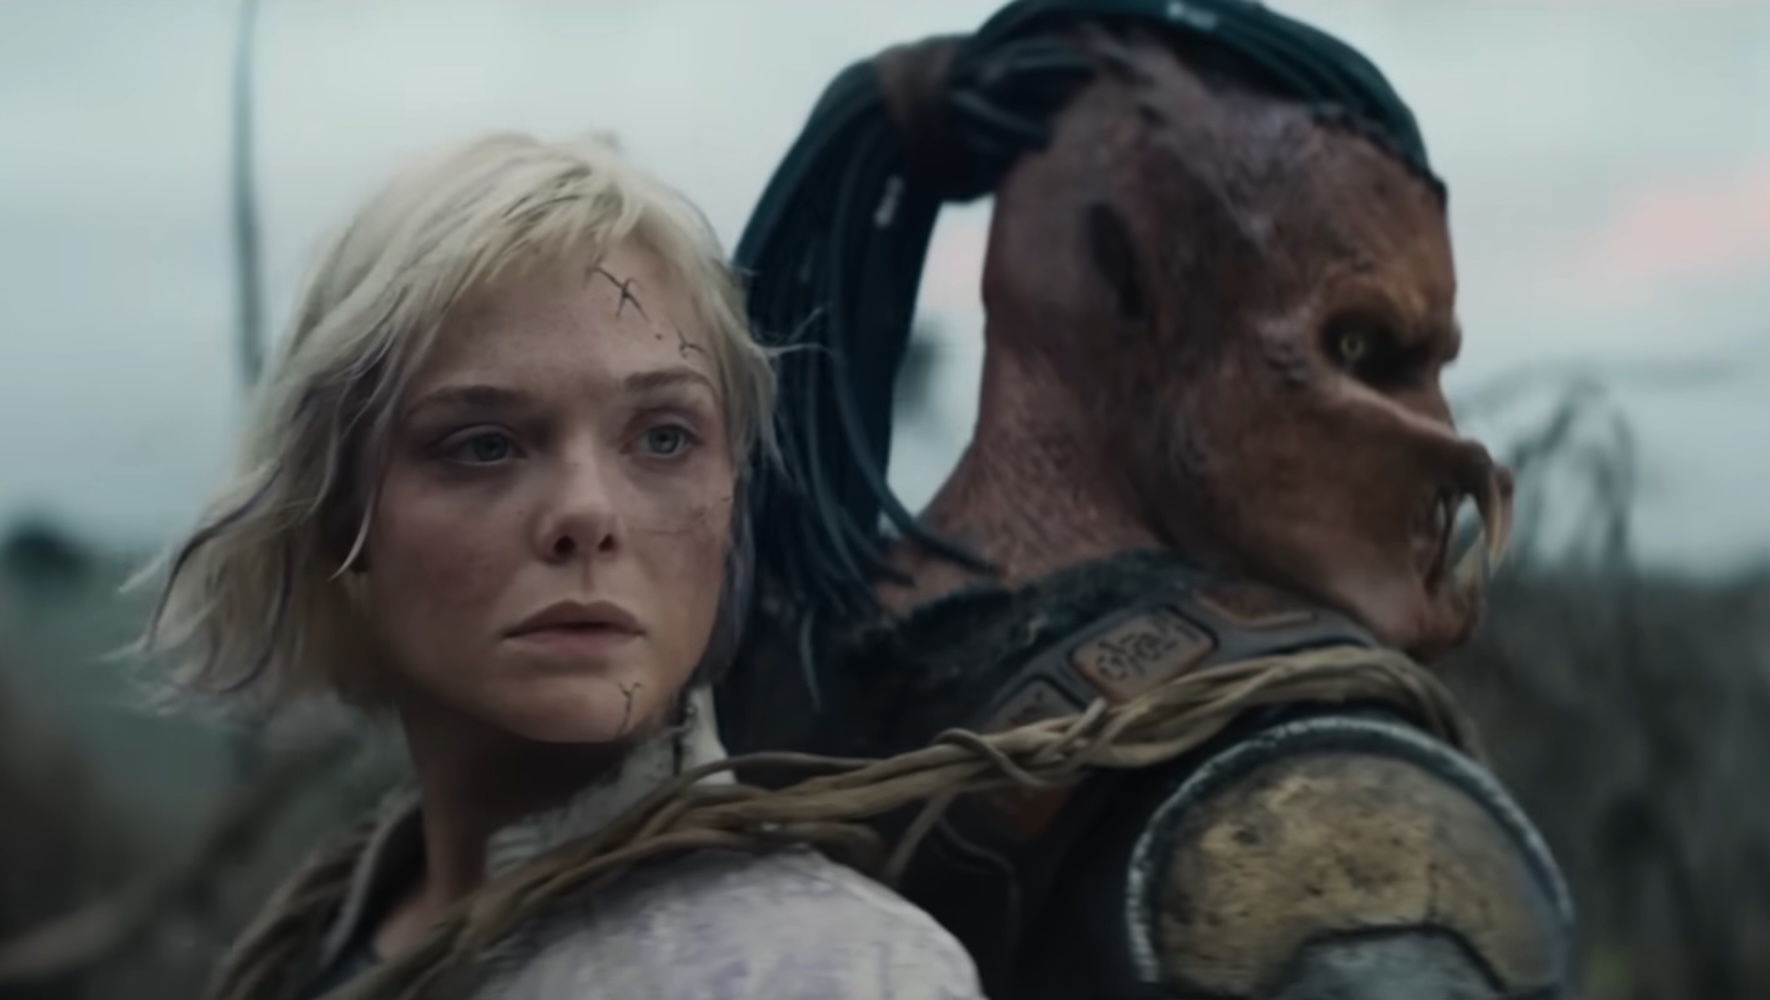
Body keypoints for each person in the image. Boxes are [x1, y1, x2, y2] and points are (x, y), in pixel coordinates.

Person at [715, 1, 1578, 998]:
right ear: (1120, 276)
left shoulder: (733, 681)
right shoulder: (1336, 820)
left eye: (1434, 369)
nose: (1442, 432)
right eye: (1360, 347)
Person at [138, 132, 984, 1000]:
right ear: (336, 510)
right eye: (484, 444)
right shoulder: (327, 931)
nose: (588, 513)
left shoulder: (832, 976)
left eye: (665, 438)